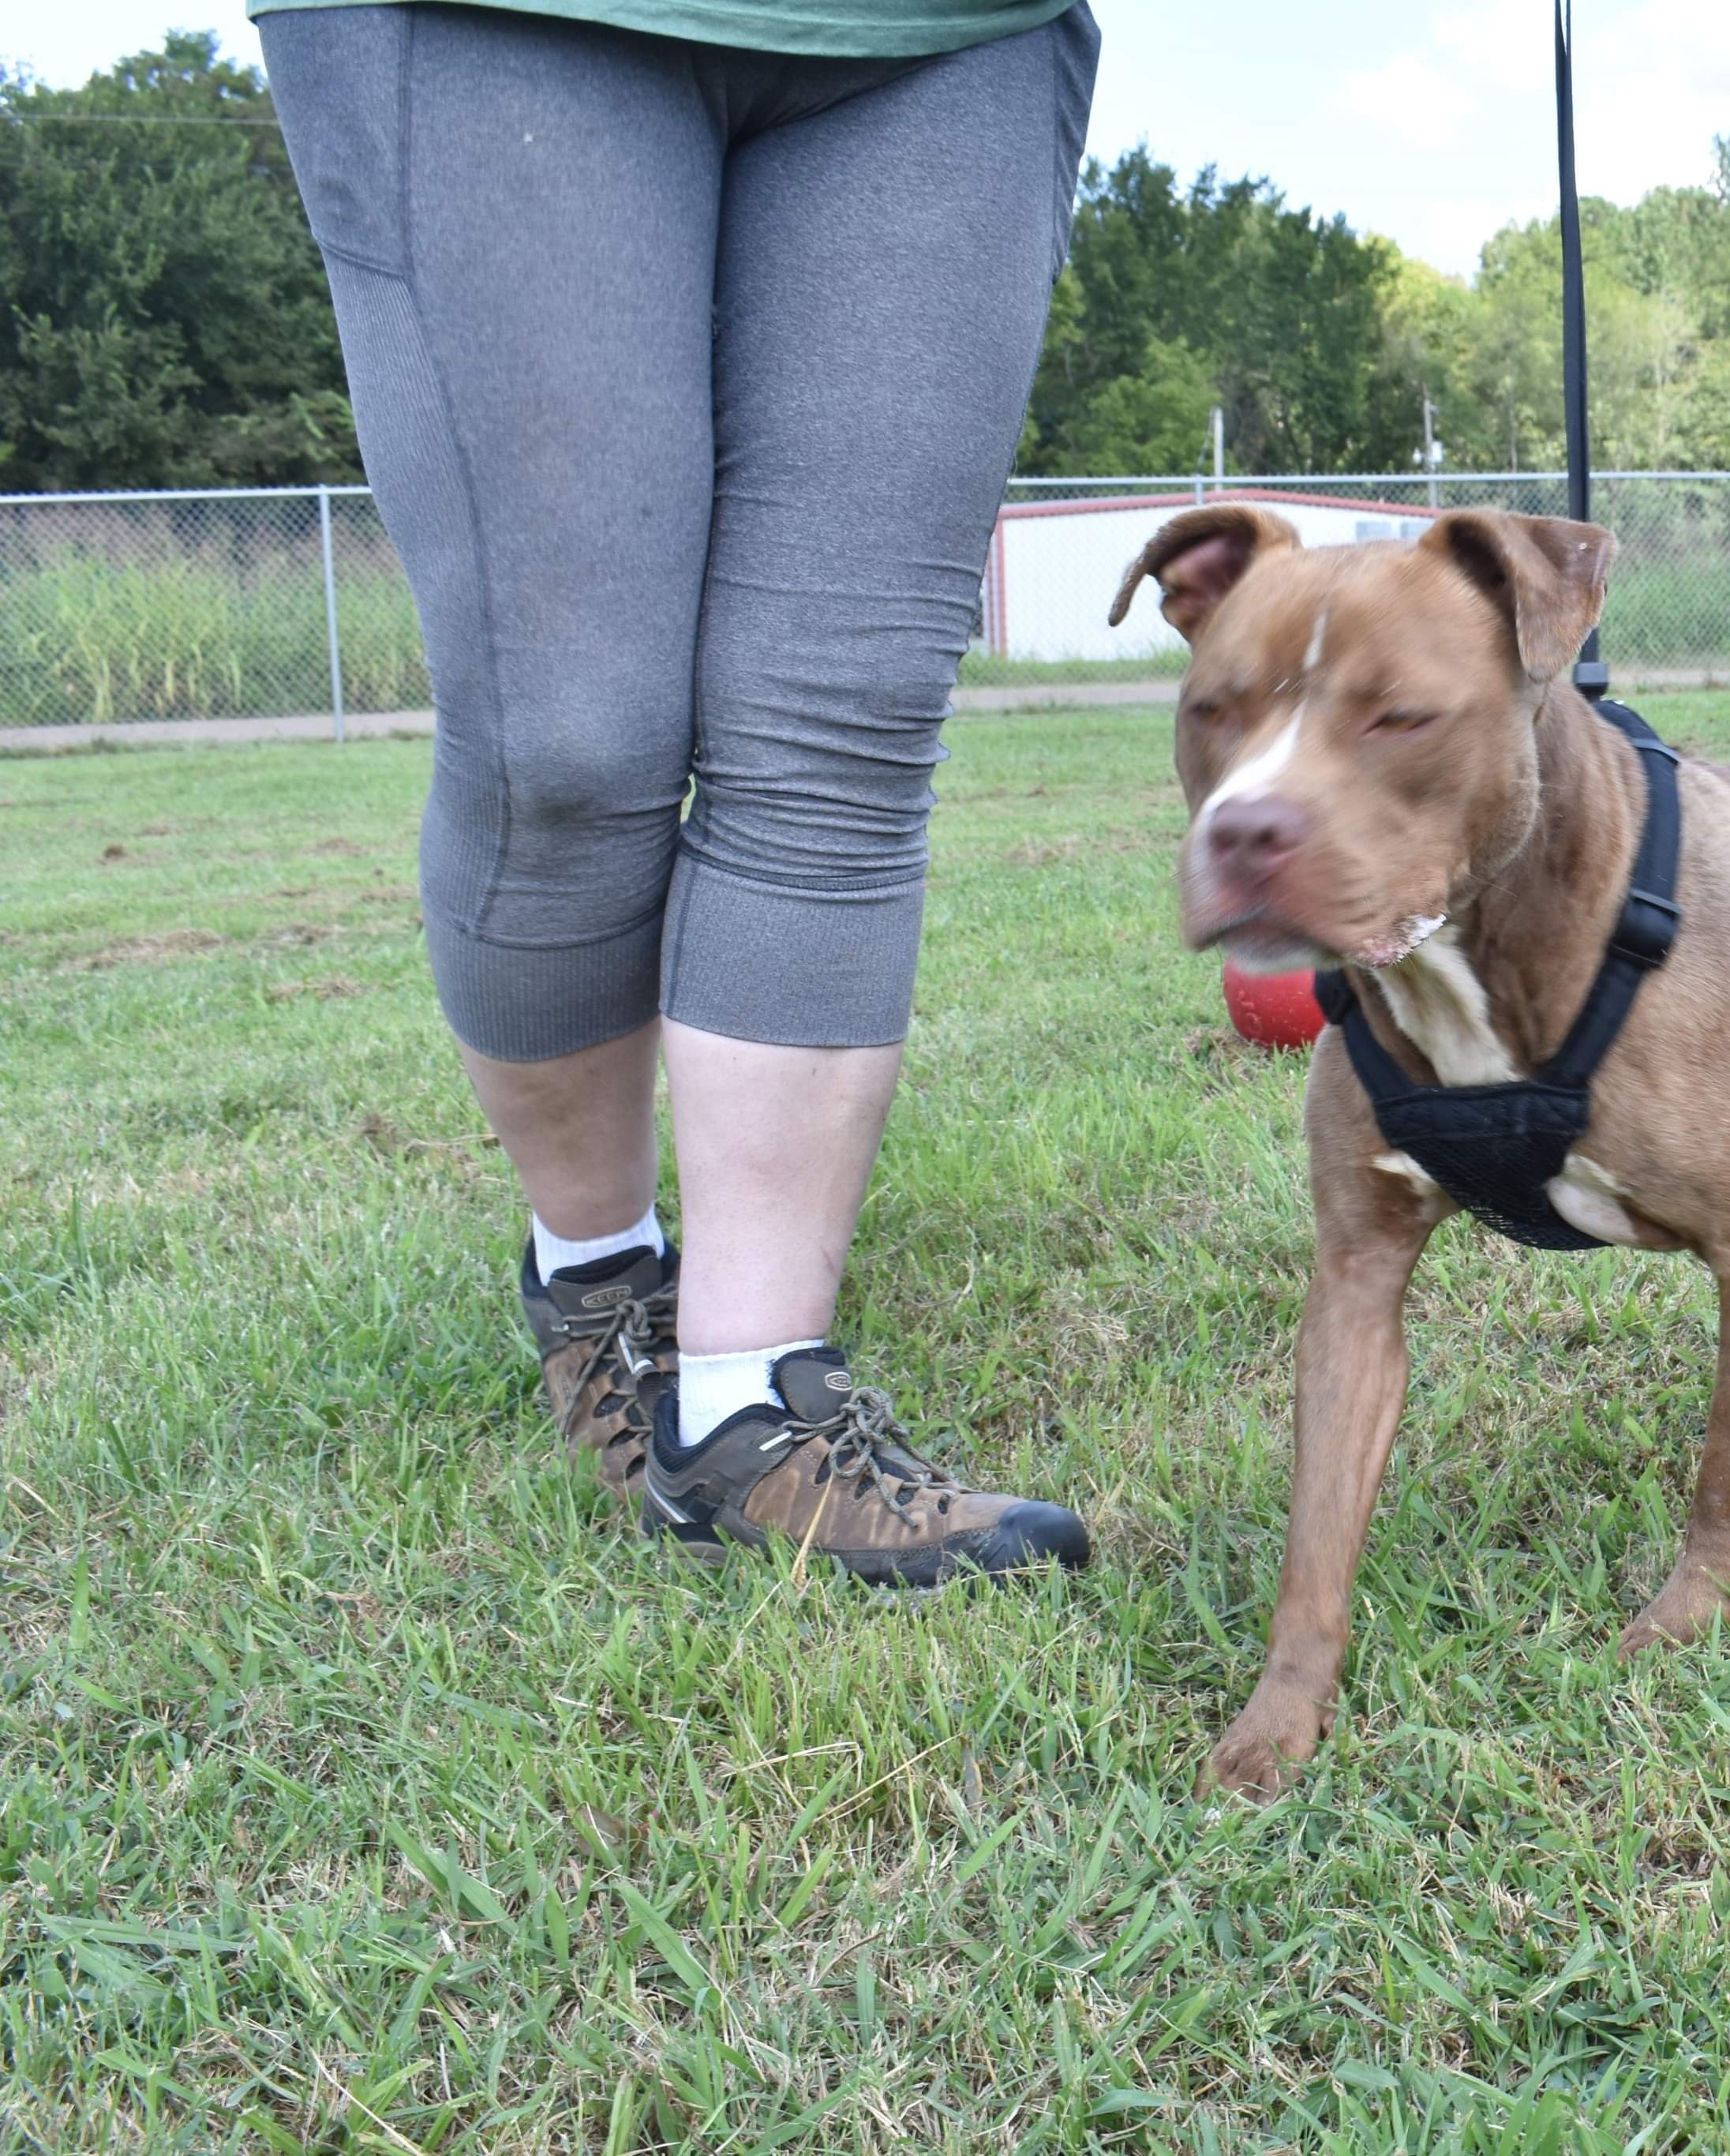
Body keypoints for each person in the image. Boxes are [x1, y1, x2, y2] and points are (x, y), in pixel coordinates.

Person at [257, 0, 1099, 1584]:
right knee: (569, 736)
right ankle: (595, 1267)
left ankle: (746, 1411)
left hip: (943, 34)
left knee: (843, 710)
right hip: (496, 23)